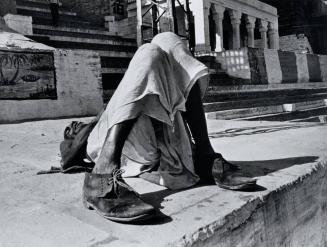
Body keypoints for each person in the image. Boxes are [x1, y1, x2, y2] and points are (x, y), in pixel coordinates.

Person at [64, 32, 256, 223]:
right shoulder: (97, 133)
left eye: (74, 127)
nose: (74, 127)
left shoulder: (123, 101)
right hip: (129, 147)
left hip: (163, 137)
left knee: (167, 39)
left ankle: (205, 154)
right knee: (149, 52)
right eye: (72, 129)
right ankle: (102, 171)